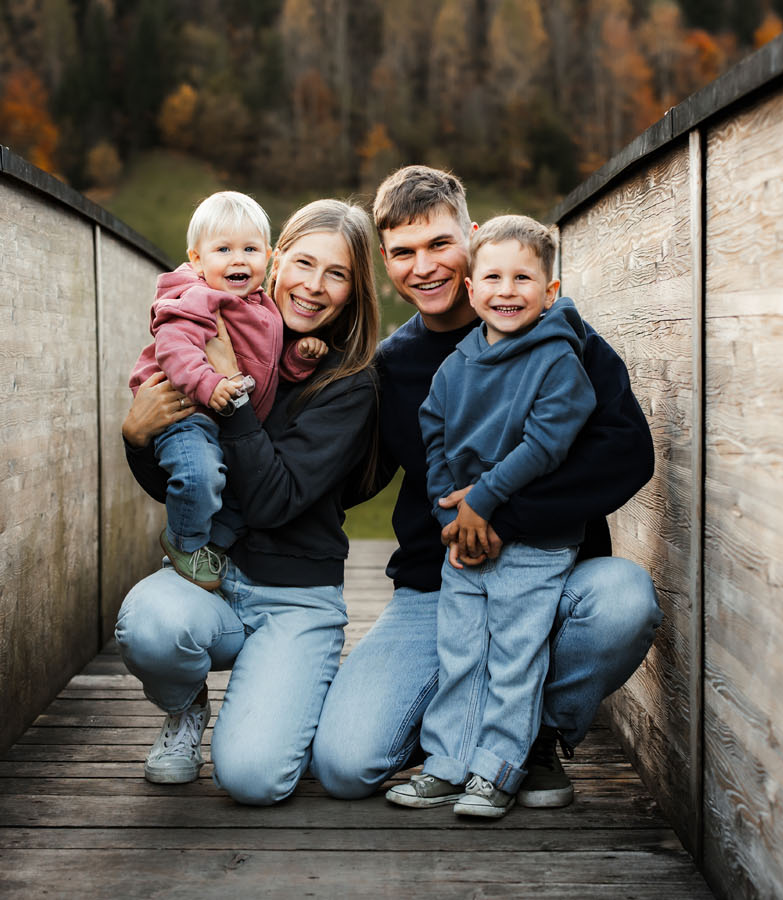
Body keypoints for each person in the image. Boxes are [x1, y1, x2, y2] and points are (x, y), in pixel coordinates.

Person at [312, 165, 662, 809]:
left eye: (440, 244)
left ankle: (530, 739)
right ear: (386, 262)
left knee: (624, 600)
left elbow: (628, 455)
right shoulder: (391, 365)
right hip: (436, 584)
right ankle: (462, 732)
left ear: (471, 239)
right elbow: (342, 474)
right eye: (404, 253)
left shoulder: (560, 336)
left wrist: (502, 515)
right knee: (342, 765)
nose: (425, 267)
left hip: (547, 571)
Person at [116, 199, 380, 805]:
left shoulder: (349, 381)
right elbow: (181, 477)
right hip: (214, 578)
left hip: (295, 597)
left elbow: (271, 500)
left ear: (353, 289)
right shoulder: (223, 325)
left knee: (252, 779)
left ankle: (300, 683)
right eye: (304, 264)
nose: (313, 286)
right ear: (278, 262)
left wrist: (230, 396)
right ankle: (185, 709)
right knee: (149, 625)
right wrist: (136, 437)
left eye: (336, 274)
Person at [384, 216, 595, 818]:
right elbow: (434, 435)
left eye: (523, 278)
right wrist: (449, 510)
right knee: (462, 651)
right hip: (462, 543)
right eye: (493, 278)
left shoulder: (559, 358)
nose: (507, 291)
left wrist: (484, 499)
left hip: (535, 546)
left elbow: (546, 443)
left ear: (549, 292)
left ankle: (499, 768)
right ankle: (449, 764)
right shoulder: (457, 364)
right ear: (471, 291)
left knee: (515, 655)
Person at [127, 191, 328, 590]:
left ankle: (211, 549)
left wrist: (298, 359)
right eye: (223, 249)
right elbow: (174, 347)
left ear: (268, 255)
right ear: (197, 259)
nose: (239, 259)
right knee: (198, 476)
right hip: (187, 414)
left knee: (237, 495)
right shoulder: (195, 297)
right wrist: (211, 383)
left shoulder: (263, 308)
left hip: (224, 421)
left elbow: (263, 369)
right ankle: (184, 543)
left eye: (250, 249)